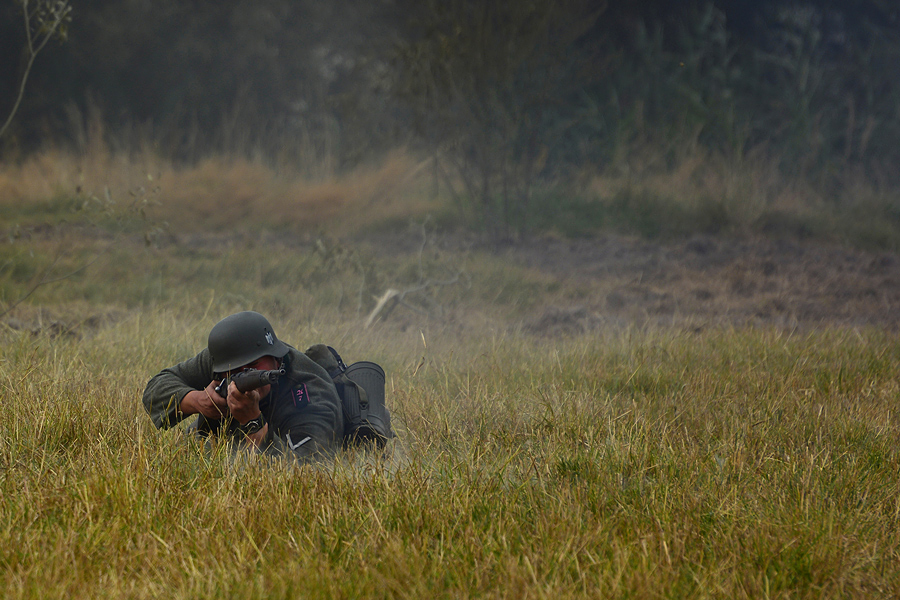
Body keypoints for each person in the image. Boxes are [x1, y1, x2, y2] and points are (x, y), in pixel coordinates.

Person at [142, 311, 344, 460]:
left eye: (255, 365)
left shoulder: (313, 394)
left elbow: (303, 475)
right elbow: (156, 388)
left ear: (277, 360)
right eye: (236, 369)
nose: (247, 373)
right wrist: (198, 401)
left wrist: (252, 422)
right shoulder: (226, 357)